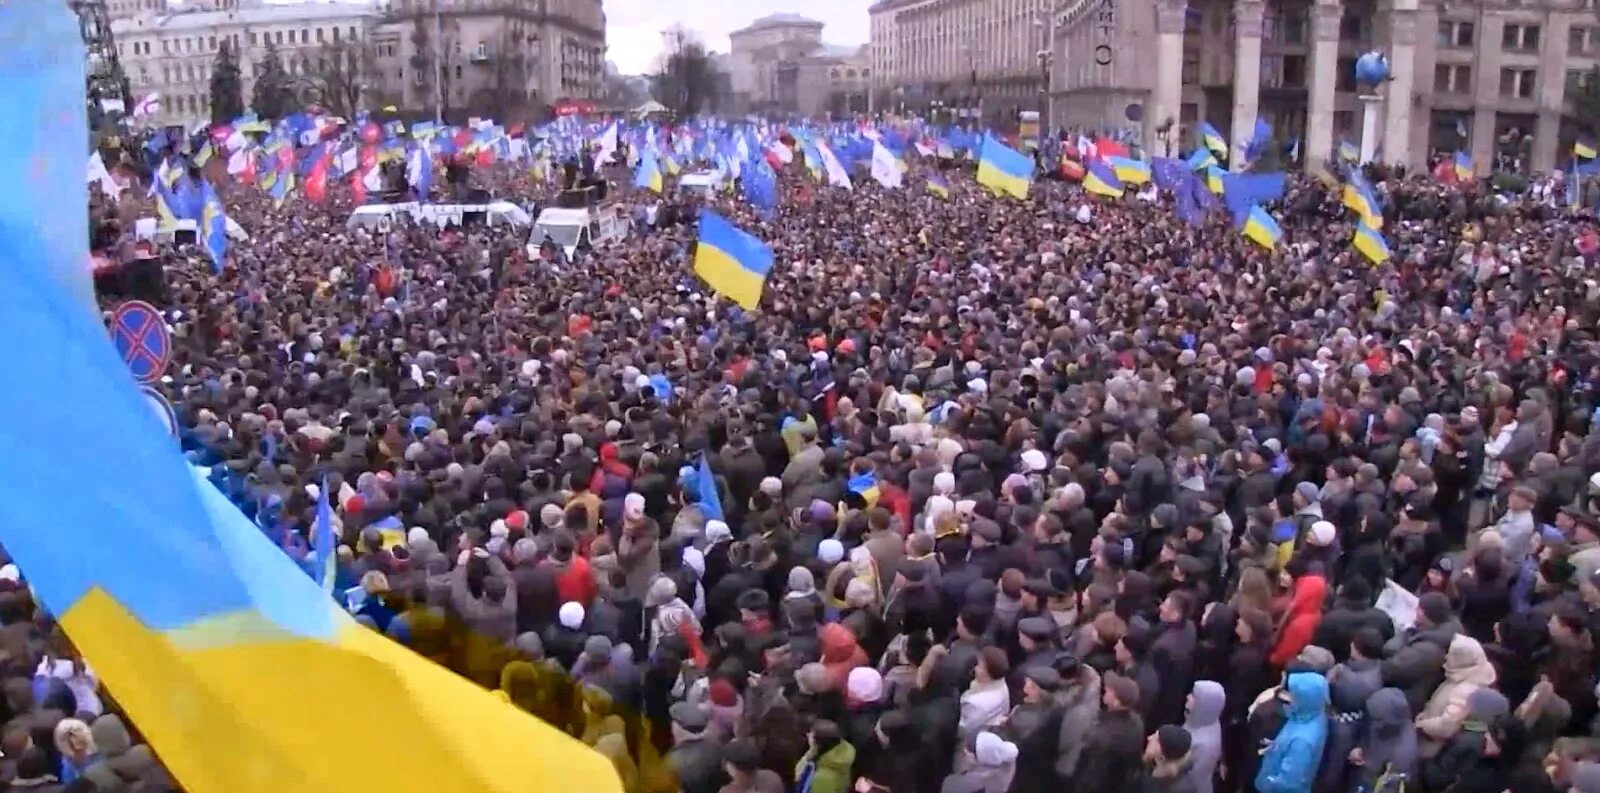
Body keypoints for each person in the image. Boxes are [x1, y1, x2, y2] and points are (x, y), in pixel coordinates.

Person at [1254, 671, 1329, 793]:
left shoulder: (1302, 743)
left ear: (1306, 698)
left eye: (1295, 694)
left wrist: (1265, 783)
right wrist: (1277, 745)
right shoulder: (1312, 713)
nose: (1290, 697)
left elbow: (1288, 782)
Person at [794, 719, 854, 793]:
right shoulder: (840, 754)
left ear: (819, 744)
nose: (808, 735)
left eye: (811, 734)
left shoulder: (823, 778)